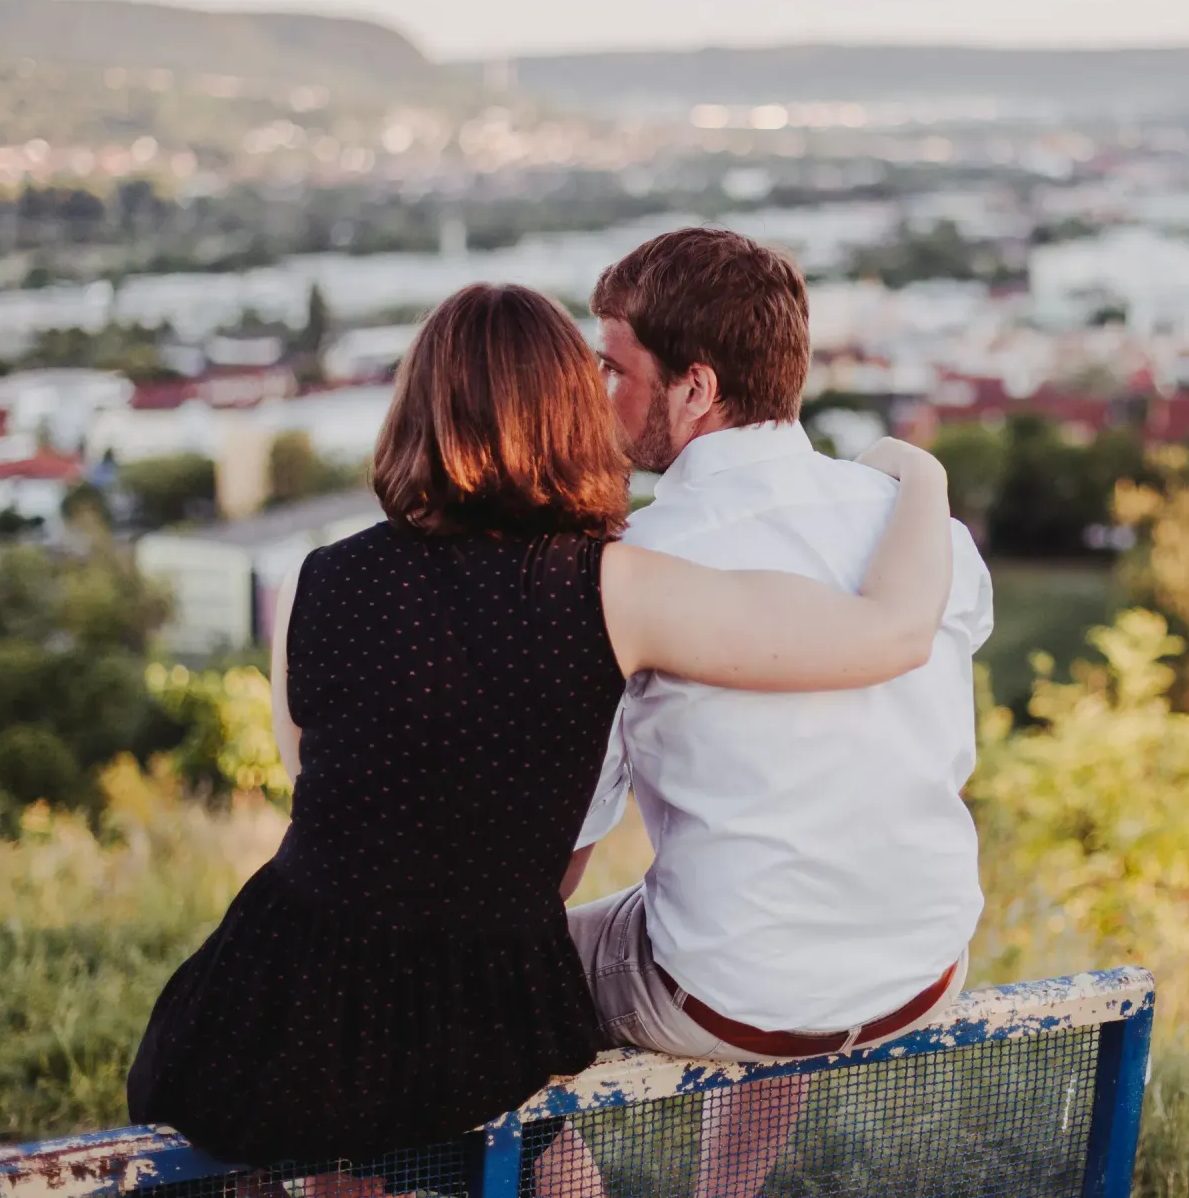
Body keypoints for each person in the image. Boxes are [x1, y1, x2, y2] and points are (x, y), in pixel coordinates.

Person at [125, 282, 954, 1167]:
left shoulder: (314, 579)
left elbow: (320, 793)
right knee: (529, 1147)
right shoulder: (612, 585)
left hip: (288, 985)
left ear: (418, 410)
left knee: (321, 1135)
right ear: (568, 412)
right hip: (486, 994)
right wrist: (924, 474)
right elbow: (893, 632)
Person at [564, 229, 992, 1198]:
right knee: (762, 911)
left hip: (737, 997)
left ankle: (564, 1189)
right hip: (922, 964)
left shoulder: (635, 569)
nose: (601, 392)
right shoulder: (924, 535)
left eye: (613, 367)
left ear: (695, 388)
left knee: (496, 978)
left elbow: (578, 825)